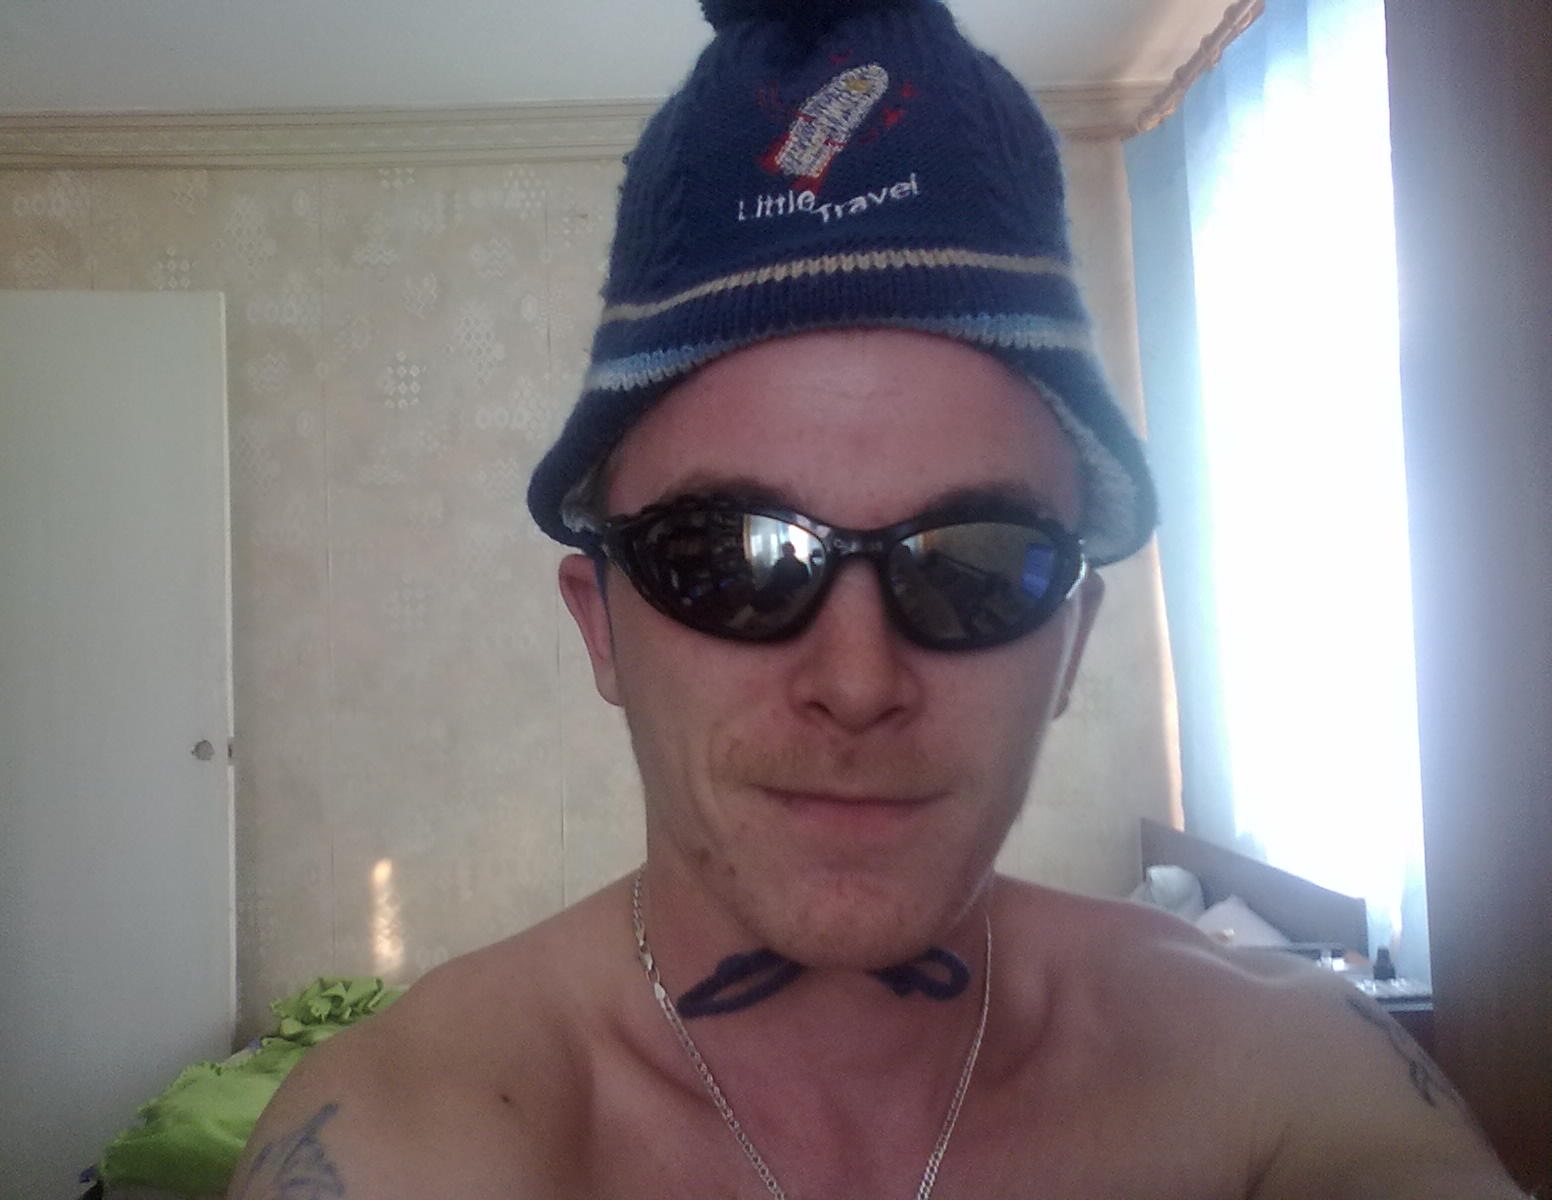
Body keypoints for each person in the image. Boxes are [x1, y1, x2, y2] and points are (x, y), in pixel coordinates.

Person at [230, 1, 1526, 1196]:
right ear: (600, 622)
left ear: (1071, 640)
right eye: (732, 556)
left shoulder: (1276, 1078)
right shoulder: (419, 1132)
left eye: (974, 564)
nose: (857, 682)